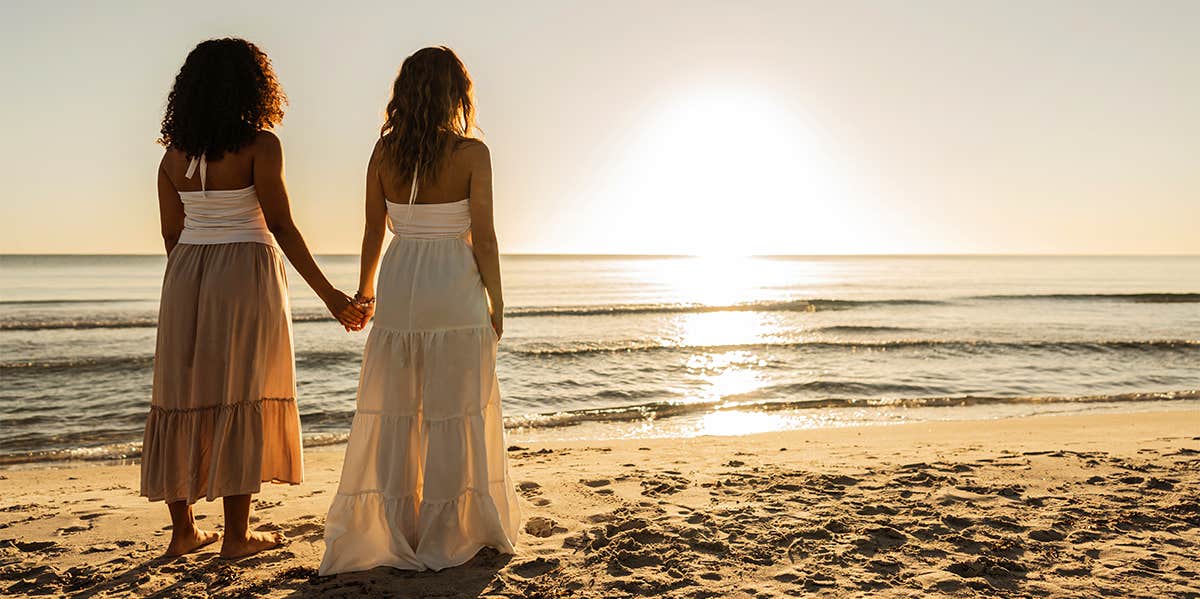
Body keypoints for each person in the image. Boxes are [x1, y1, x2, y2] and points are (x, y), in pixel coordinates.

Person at [141, 38, 363, 559]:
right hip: (245, 271)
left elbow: (172, 236)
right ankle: (237, 536)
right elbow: (282, 224)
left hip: (186, 274)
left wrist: (194, 275)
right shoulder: (261, 146)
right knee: (241, 390)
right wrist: (331, 297)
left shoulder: (172, 159)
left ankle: (182, 534)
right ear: (252, 87)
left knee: (183, 391)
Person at [320, 46, 519, 574]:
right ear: (457, 93)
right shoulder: (473, 154)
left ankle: (395, 527)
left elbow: (370, 233)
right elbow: (487, 239)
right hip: (454, 286)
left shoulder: (383, 153)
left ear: (405, 94)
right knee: (456, 412)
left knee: (397, 412)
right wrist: (498, 302)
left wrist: (364, 295)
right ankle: (451, 528)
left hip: (402, 279)